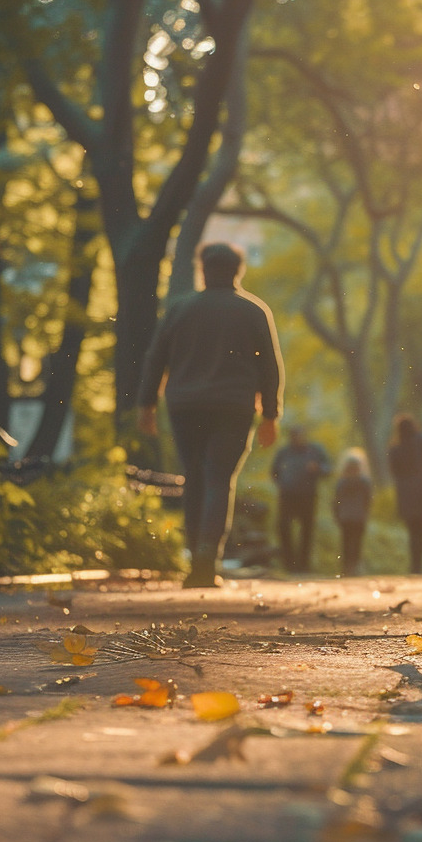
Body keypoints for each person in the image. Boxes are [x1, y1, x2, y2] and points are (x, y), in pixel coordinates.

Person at [137, 242, 284, 590]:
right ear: (239, 271)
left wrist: (146, 406)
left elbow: (155, 358)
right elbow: (270, 366)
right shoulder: (253, 310)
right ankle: (207, 561)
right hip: (234, 406)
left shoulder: (180, 309)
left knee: (194, 477)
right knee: (220, 478)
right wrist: (271, 416)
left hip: (185, 405)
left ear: (202, 269)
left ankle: (194, 564)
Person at [271, 426, 332, 572]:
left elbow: (328, 468)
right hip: (287, 495)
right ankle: (289, 564)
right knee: (284, 527)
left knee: (307, 530)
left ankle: (304, 565)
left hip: (308, 495)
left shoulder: (315, 450)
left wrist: (317, 469)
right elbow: (274, 471)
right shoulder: (284, 452)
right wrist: (282, 483)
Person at [388, 414, 422, 574]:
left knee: (412, 531)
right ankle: (419, 566)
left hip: (406, 494)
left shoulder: (395, 449)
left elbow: (394, 472)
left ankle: (414, 565)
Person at [333, 448, 373, 576]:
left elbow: (336, 501)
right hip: (359, 516)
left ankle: (346, 566)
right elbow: (368, 499)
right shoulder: (364, 482)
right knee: (357, 542)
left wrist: (337, 515)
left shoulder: (342, 482)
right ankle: (355, 566)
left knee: (346, 542)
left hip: (345, 517)